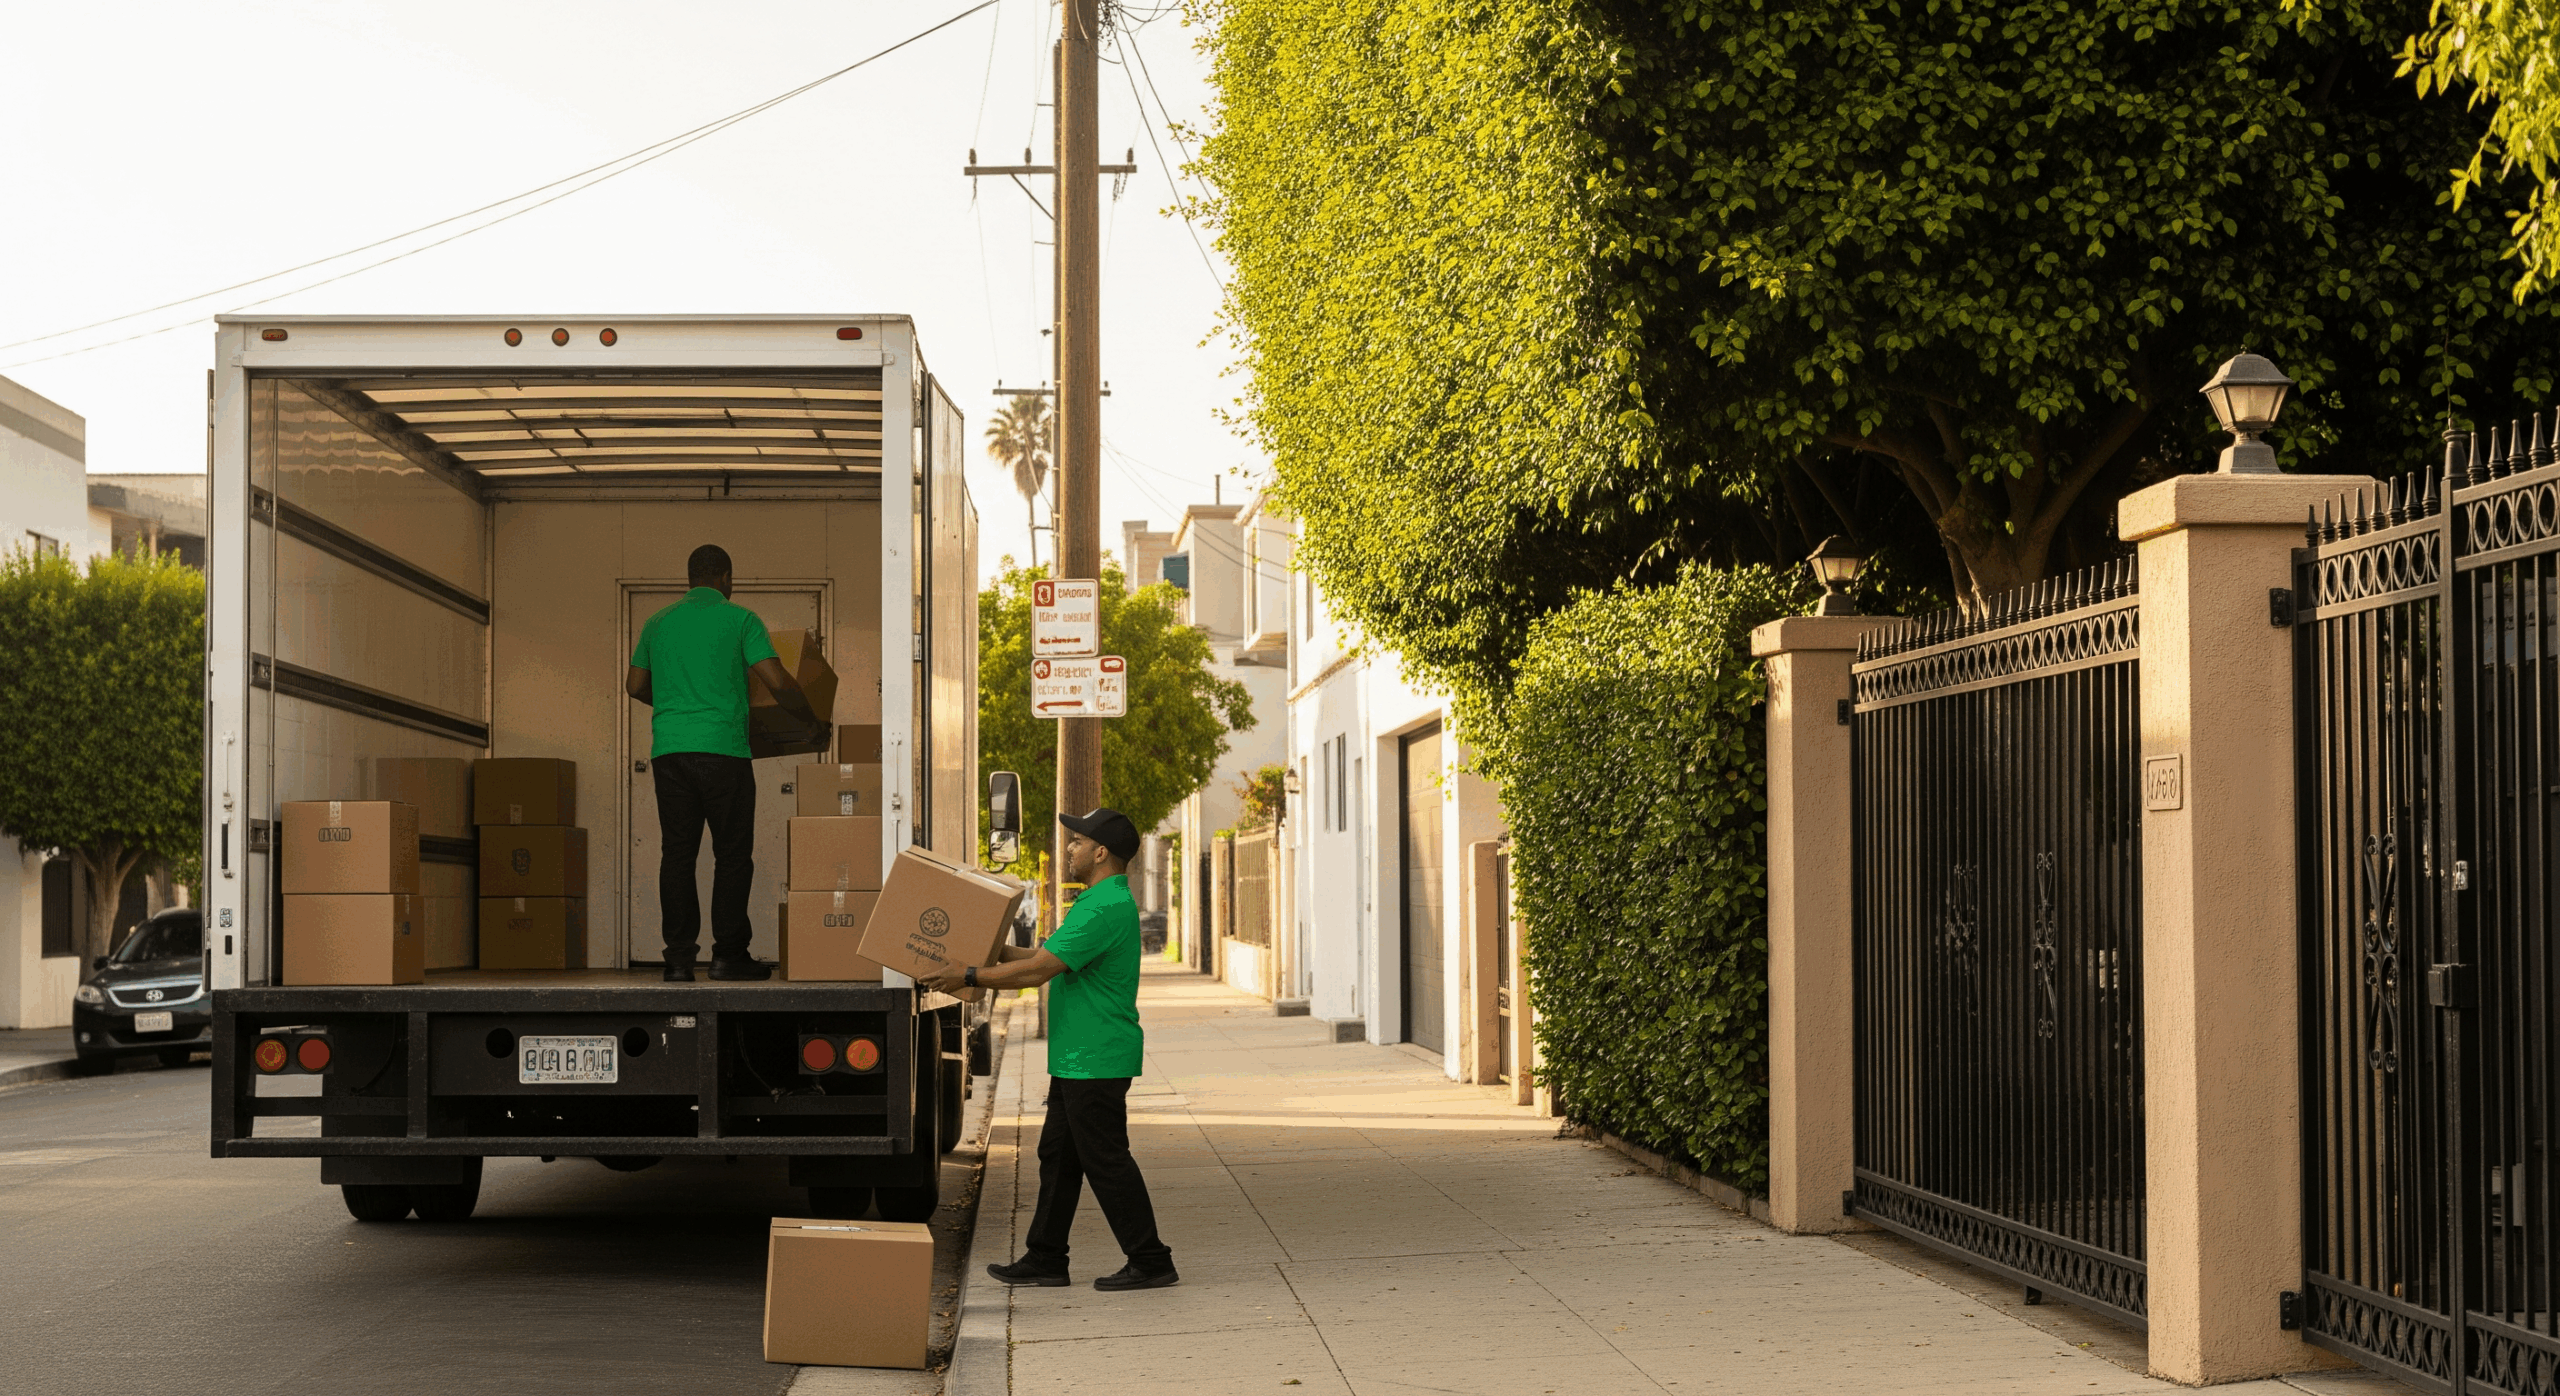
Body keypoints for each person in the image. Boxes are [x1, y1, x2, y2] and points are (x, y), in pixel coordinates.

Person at [923, 807, 1178, 1291]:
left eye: (1077, 842)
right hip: (1079, 1057)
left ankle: (1151, 1259)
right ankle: (1046, 1257)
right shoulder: (1096, 903)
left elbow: (1039, 972)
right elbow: (1041, 957)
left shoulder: (1103, 907)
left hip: (1096, 1057)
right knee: (1058, 1157)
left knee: (1105, 1159)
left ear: (1101, 852)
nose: (1069, 849)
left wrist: (971, 975)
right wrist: (989, 948)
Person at [624, 543, 822, 982]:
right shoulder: (741, 619)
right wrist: (809, 719)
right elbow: (776, 679)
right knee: (731, 855)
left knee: (677, 854)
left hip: (670, 753)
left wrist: (676, 704)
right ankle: (728, 955)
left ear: (690, 578)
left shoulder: (657, 622)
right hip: (723, 753)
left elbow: (634, 685)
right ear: (726, 578)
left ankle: (677, 960)